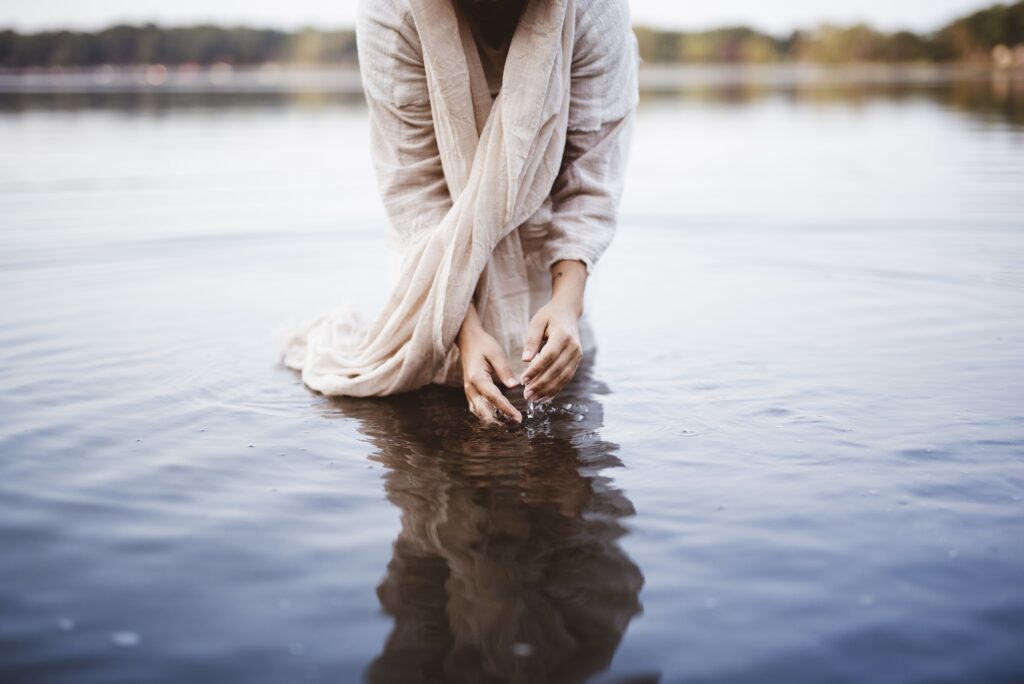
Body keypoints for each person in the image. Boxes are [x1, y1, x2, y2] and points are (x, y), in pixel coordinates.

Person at [285, 0, 638, 425]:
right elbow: (414, 191)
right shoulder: (392, 11)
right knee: (448, 379)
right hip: (442, 247)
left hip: (544, 249)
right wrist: (464, 331)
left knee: (555, 368)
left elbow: (589, 173)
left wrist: (566, 304)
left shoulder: (595, 8)